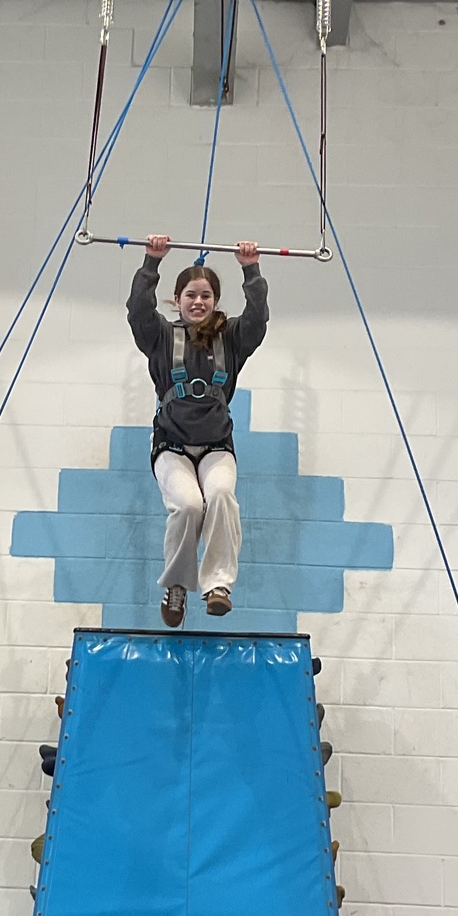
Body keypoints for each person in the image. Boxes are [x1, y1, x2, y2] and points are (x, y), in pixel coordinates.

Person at [128, 234, 268, 628]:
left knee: (221, 496)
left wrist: (251, 269)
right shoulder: (160, 336)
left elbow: (258, 318)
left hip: (216, 445)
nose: (198, 302)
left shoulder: (232, 338)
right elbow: (138, 311)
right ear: (177, 300)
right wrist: (151, 262)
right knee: (189, 505)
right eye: (190, 295)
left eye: (206, 295)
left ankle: (217, 586)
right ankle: (176, 587)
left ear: (216, 302)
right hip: (171, 445)